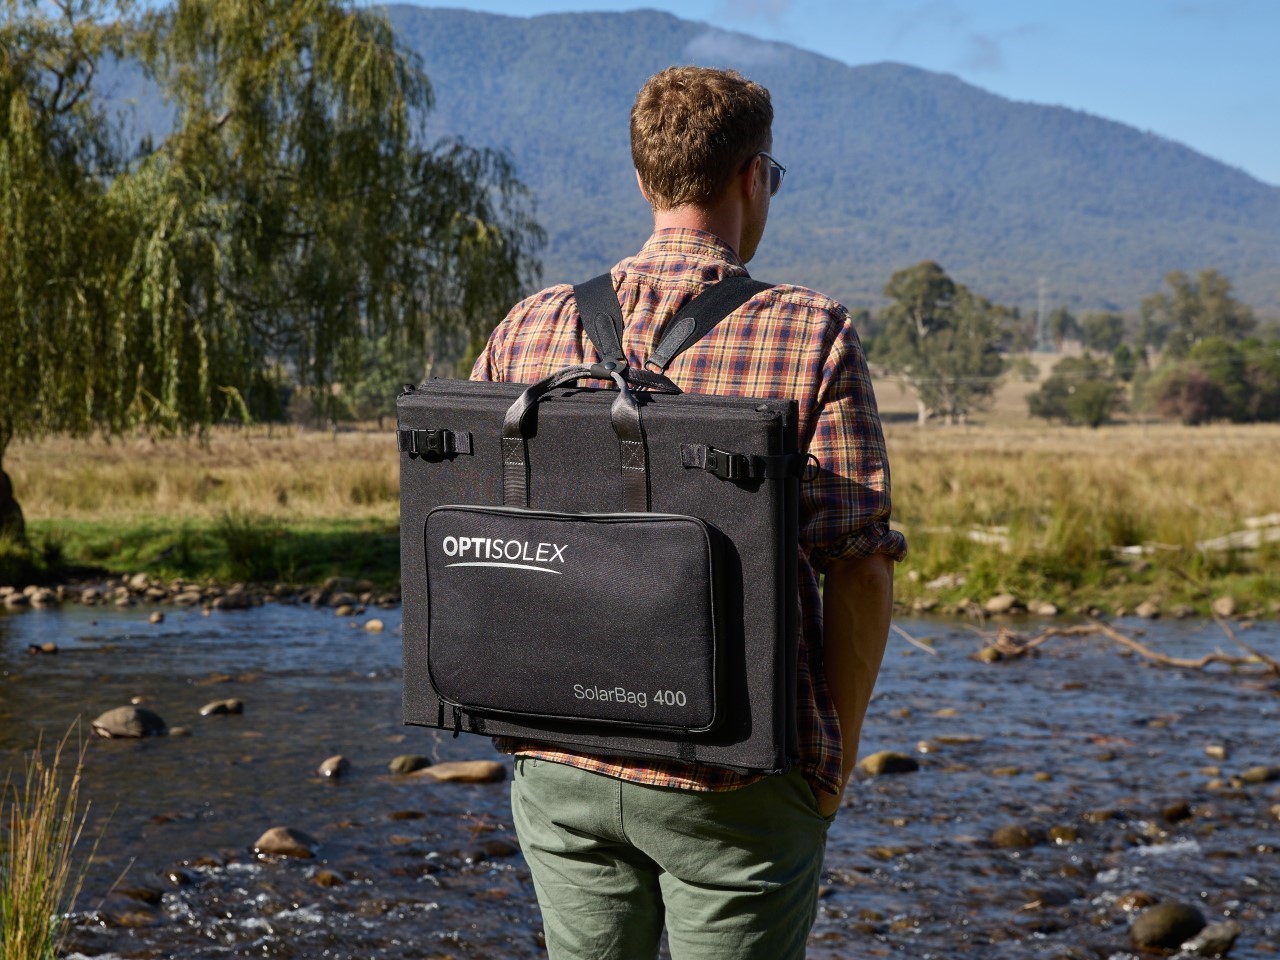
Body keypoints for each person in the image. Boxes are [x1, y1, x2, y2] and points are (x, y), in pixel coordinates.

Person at [470, 65, 906, 960]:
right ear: (753, 177)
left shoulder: (528, 325)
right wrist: (830, 767)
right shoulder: (810, 330)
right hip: (738, 777)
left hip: (557, 755)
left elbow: (477, 524)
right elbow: (859, 563)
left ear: (645, 180)